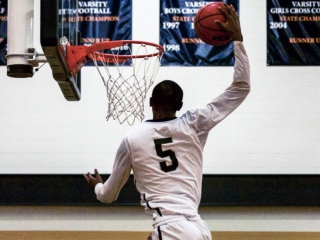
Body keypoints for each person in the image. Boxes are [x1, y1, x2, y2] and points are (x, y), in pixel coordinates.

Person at [84, 3, 250, 240]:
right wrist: (238, 39)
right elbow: (241, 88)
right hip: (199, 230)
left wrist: (98, 186)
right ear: (180, 105)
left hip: (171, 229)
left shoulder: (132, 138)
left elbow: (108, 195)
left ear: (150, 100)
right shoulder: (194, 124)